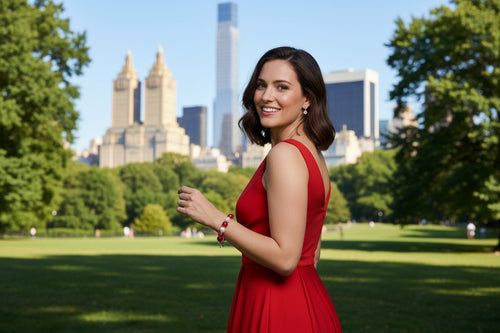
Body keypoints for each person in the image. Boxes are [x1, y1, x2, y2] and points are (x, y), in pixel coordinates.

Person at [177, 46, 342, 332]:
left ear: (307, 99)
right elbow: (311, 252)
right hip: (303, 299)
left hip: (278, 307)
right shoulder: (312, 154)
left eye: (282, 87)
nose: (267, 96)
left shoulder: (285, 156)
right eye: (261, 85)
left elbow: (286, 258)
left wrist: (217, 219)